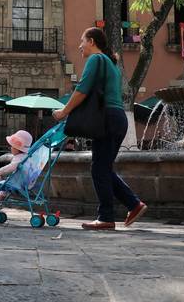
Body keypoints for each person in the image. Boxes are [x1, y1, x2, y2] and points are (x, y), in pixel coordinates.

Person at [52, 27, 147, 230]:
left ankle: (106, 217)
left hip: (107, 119)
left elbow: (82, 89)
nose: (80, 46)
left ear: (92, 42)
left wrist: (63, 112)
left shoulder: (95, 60)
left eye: (82, 41)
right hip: (118, 118)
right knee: (103, 168)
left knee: (99, 168)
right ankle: (133, 204)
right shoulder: (111, 64)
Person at [0, 130, 33, 203]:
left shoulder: (19, 158)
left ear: (17, 148)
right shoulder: (27, 157)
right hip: (26, 182)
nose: (10, 148)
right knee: (5, 183)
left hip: (18, 183)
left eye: (12, 146)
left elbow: (11, 167)